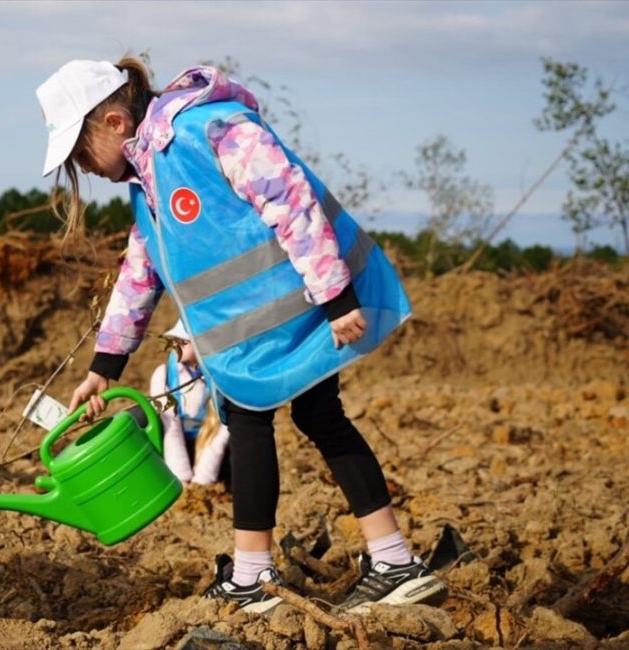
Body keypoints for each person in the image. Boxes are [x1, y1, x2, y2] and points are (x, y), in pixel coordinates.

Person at [39, 58, 445, 615]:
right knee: (311, 417)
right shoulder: (150, 174)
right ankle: (389, 560)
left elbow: (291, 199)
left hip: (305, 312)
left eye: (80, 152)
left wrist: (335, 296)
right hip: (263, 333)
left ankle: (257, 576)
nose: (82, 168)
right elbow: (141, 269)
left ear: (113, 122)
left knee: (258, 419)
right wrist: (104, 366)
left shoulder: (208, 129)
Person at [151, 320, 229, 486]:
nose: (177, 346)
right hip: (175, 450)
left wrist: (203, 480)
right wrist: (182, 477)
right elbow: (170, 428)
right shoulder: (164, 374)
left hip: (208, 449)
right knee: (143, 417)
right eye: (175, 340)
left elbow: (221, 435)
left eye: (184, 341)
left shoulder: (219, 377)